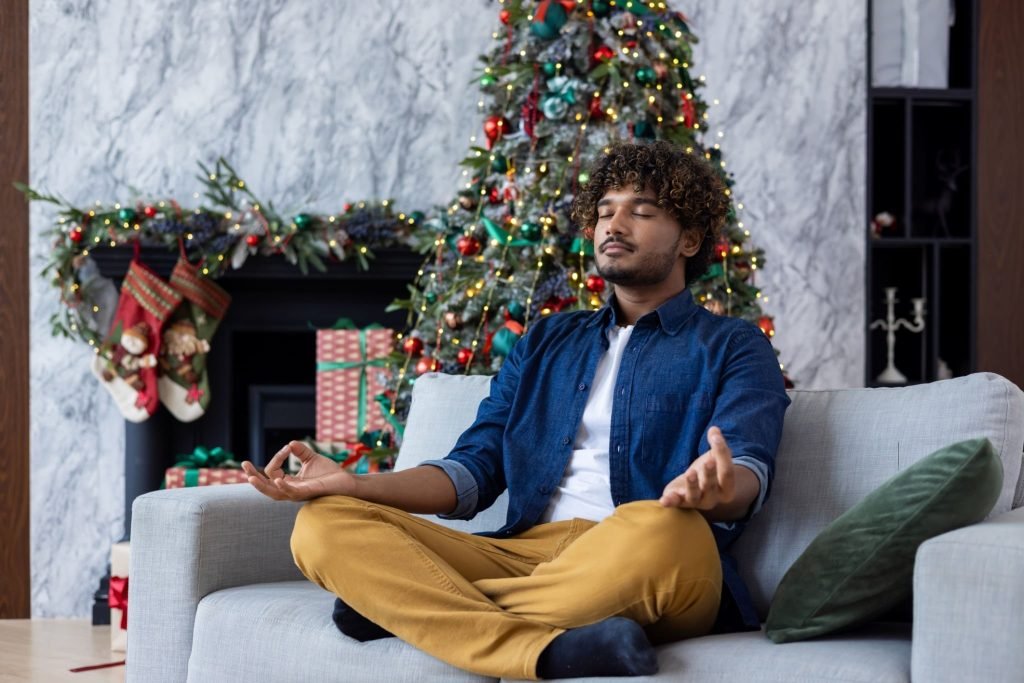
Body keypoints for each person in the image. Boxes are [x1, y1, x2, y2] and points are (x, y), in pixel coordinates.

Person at [242, 140, 790, 680]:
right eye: (604, 211)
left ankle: (409, 607)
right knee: (323, 526)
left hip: (641, 550)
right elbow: (471, 472)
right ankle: (549, 652)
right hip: (526, 554)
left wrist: (719, 490)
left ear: (690, 239)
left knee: (669, 531)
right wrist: (354, 486)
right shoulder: (548, 340)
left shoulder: (733, 344)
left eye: (641, 212)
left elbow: (747, 466)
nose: (614, 225)